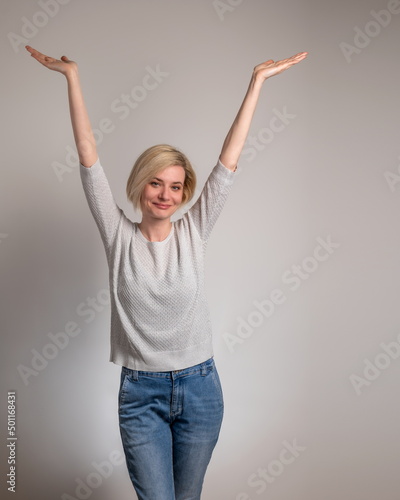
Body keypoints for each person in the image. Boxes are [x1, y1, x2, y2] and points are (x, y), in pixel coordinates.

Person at [26, 44, 307, 500]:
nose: (165, 194)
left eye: (176, 186)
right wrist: (72, 77)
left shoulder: (195, 229)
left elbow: (228, 162)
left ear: (185, 193)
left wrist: (256, 82)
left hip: (201, 390)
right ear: (141, 183)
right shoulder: (117, 234)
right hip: (141, 396)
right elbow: (87, 157)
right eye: (157, 182)